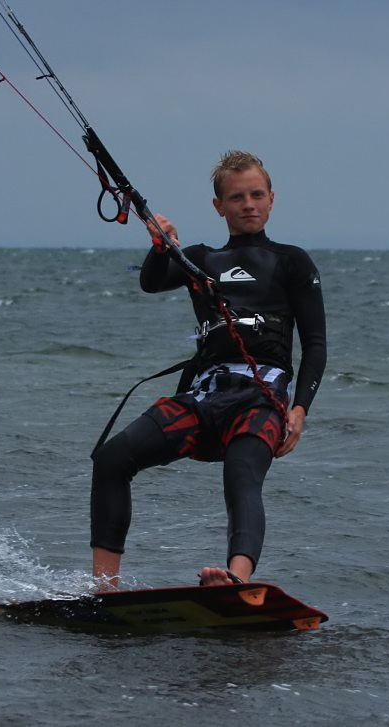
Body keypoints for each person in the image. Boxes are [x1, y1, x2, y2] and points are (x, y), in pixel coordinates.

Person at [90, 150, 326, 589]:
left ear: (272, 199)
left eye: (257, 195)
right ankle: (104, 588)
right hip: (205, 394)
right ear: (220, 207)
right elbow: (152, 281)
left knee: (241, 472)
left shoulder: (291, 261)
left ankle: (235, 581)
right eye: (237, 197)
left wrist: (300, 410)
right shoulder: (200, 259)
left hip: (263, 395)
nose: (249, 204)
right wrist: (161, 244)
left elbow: (315, 344)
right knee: (110, 459)